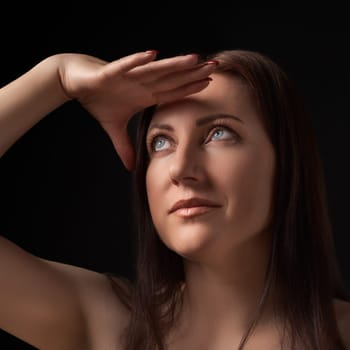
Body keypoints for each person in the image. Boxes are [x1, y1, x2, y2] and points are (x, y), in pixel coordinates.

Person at [0, 48, 349, 350]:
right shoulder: (106, 323)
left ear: (286, 162)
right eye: (161, 143)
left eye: (219, 133)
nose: (180, 169)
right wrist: (56, 77)